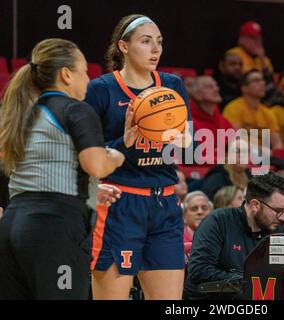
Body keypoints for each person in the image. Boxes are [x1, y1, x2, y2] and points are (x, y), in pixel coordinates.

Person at [0, 38, 125, 300]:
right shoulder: (76, 109)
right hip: (54, 231)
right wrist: (115, 156)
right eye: (84, 72)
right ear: (66, 75)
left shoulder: (20, 112)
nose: (88, 81)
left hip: (12, 228)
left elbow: (44, 169)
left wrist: (90, 190)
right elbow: (96, 164)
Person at [85, 14, 192, 300]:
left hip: (165, 204)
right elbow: (88, 157)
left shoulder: (172, 85)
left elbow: (188, 142)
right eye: (146, 42)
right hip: (120, 203)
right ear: (123, 46)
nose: (155, 49)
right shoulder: (100, 90)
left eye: (159, 42)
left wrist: (183, 142)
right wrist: (125, 141)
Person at [184, 171, 284, 300]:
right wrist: (247, 280)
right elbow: (199, 270)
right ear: (255, 205)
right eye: (278, 211)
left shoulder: (276, 229)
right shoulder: (218, 221)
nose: (283, 218)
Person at [223, 69, 283, 150]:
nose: (262, 83)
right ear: (244, 88)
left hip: (264, 157)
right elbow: (235, 140)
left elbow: (277, 143)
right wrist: (263, 151)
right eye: (256, 80)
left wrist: (275, 154)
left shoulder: (267, 112)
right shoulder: (233, 108)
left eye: (262, 80)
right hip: (241, 155)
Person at [200, 137, 252, 201]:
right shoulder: (216, 179)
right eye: (237, 151)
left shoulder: (252, 179)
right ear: (227, 155)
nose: (242, 155)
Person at [183, 191, 213, 262]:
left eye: (204, 208)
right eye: (194, 209)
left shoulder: (220, 238)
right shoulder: (176, 240)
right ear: (184, 216)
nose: (200, 212)